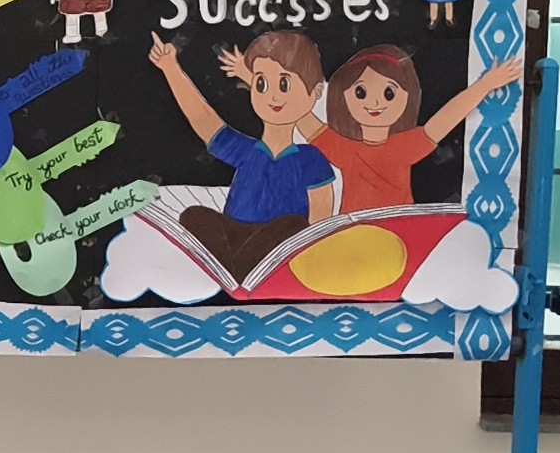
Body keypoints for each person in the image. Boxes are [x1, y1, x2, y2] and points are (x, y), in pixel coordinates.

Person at [149, 30, 335, 279]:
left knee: (294, 227)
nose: (273, 96)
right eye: (262, 84)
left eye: (284, 84)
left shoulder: (310, 159)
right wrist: (170, 68)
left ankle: (243, 268)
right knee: (194, 216)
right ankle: (235, 267)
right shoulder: (246, 150)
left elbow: (320, 223)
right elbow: (203, 119)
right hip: (234, 237)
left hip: (280, 246)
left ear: (316, 92)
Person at [275, 45, 524, 213]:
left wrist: (485, 86)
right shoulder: (343, 148)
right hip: (354, 236)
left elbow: (446, 119)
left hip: (399, 230)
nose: (375, 103)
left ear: (408, 97)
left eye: (389, 93)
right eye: (360, 92)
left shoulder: (405, 146)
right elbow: (300, 115)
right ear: (343, 98)